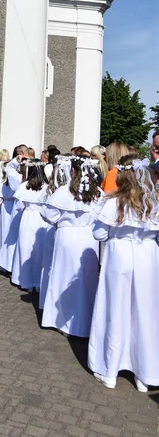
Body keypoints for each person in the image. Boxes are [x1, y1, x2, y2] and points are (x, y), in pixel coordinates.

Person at [89, 154, 159, 391]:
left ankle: (110, 370)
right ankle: (144, 374)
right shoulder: (154, 201)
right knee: (145, 313)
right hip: (148, 256)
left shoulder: (113, 202)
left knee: (115, 308)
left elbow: (98, 234)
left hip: (119, 255)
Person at [41, 157, 102, 337]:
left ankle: (62, 321)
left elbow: (48, 215)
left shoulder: (64, 192)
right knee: (86, 280)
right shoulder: (98, 192)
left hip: (67, 238)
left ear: (73, 172)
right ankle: (85, 321)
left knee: (64, 277)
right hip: (89, 239)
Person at [11, 160, 53, 291]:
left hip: (28, 218)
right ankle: (39, 282)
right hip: (42, 220)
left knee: (26, 248)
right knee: (40, 250)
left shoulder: (24, 186)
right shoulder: (48, 187)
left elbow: (18, 207)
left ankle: (26, 280)